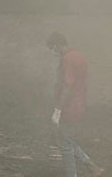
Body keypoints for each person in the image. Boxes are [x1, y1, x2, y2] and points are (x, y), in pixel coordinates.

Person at [47, 32, 104, 177]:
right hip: (78, 103)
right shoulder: (79, 56)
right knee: (66, 138)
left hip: (68, 106)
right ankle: (92, 167)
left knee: (64, 143)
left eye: (53, 49)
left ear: (57, 45)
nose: (54, 53)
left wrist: (58, 109)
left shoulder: (67, 59)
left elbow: (67, 85)